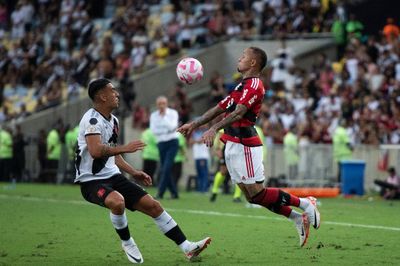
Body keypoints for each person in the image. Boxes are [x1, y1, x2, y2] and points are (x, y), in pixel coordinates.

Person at [178, 47, 320, 247]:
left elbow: (238, 113)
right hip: (233, 143)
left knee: (258, 193)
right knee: (252, 197)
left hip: (245, 145)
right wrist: (194, 125)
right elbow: (220, 107)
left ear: (253, 63)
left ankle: (306, 203)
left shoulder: (255, 85)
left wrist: (213, 129)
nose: (240, 58)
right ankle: (296, 218)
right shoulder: (241, 85)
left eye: (244, 56)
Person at [74, 78, 211, 264]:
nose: (117, 94)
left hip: (113, 176)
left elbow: (113, 155)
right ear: (102, 96)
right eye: (112, 91)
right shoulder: (91, 120)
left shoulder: (113, 121)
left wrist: (134, 172)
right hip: (91, 181)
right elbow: (96, 151)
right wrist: (125, 147)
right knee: (117, 201)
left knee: (153, 205)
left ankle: (187, 247)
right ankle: (127, 241)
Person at [150, 96, 180, 199]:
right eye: (159, 103)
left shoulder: (172, 113)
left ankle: (160, 192)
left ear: (166, 103)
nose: (161, 105)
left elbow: (173, 127)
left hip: (172, 142)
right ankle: (174, 193)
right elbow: (153, 130)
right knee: (165, 168)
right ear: (157, 104)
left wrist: (163, 117)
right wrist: (165, 130)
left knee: (166, 167)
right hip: (161, 143)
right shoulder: (154, 115)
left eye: (163, 103)